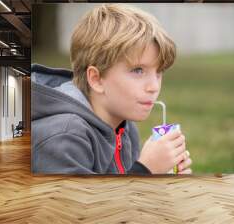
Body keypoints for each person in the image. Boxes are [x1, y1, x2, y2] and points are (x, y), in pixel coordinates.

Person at [31, 3, 192, 174]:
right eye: (138, 70)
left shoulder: (125, 127)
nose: (154, 87)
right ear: (97, 79)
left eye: (158, 72)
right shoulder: (64, 136)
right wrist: (145, 171)